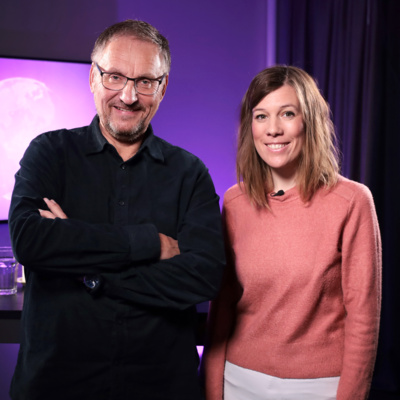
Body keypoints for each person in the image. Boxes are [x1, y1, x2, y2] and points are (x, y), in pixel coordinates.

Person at [8, 20, 225, 400]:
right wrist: (150, 243)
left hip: (160, 389)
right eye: (115, 77)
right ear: (93, 77)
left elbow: (202, 277)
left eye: (145, 81)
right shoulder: (49, 153)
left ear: (163, 88)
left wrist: (89, 271)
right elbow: (30, 240)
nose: (128, 96)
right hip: (56, 385)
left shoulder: (190, 173)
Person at [202, 65, 381, 400]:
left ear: (309, 121)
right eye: (261, 116)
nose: (273, 129)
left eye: (287, 113)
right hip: (238, 380)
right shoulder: (235, 202)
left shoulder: (352, 201)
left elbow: (363, 320)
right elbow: (222, 306)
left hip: (319, 387)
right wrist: (212, 389)